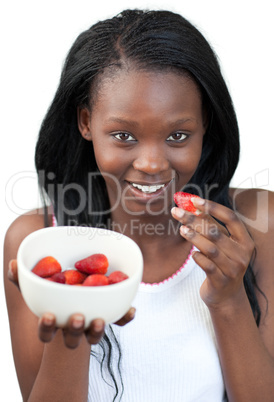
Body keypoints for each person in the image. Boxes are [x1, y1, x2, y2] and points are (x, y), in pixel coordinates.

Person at [4, 8, 274, 402]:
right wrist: (71, 335)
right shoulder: (38, 241)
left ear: (206, 126)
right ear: (85, 122)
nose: (151, 164)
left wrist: (229, 298)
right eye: (124, 136)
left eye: (179, 135)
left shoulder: (256, 224)